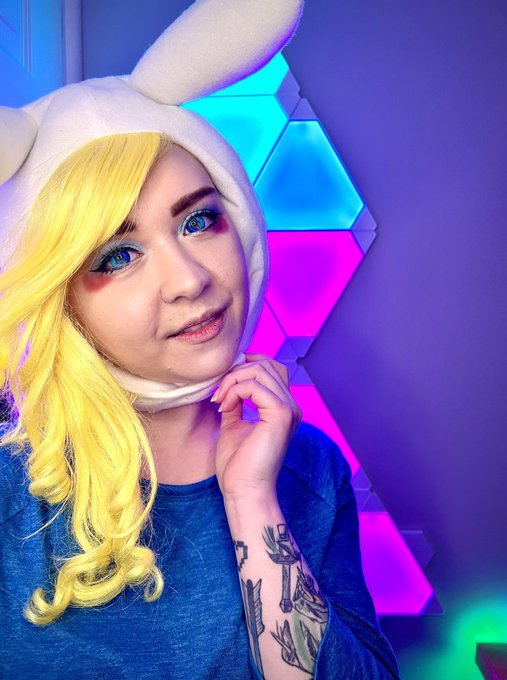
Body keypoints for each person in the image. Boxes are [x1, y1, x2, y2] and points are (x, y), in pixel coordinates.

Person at [0, 1, 400, 678]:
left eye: (199, 221)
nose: (189, 279)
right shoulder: (13, 494)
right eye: (117, 257)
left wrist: (252, 500)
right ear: (63, 301)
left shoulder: (309, 469)